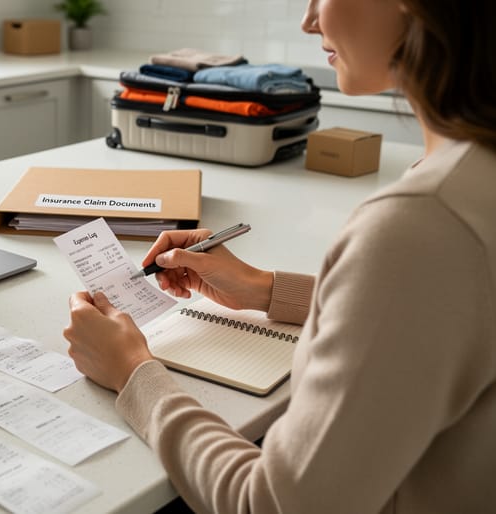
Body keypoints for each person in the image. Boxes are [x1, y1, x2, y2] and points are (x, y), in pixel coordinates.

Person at [63, 0, 496, 512]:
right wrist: (265, 288)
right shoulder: (470, 171)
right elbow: (437, 309)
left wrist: (132, 371)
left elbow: (273, 505)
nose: (309, 20)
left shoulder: (421, 221)